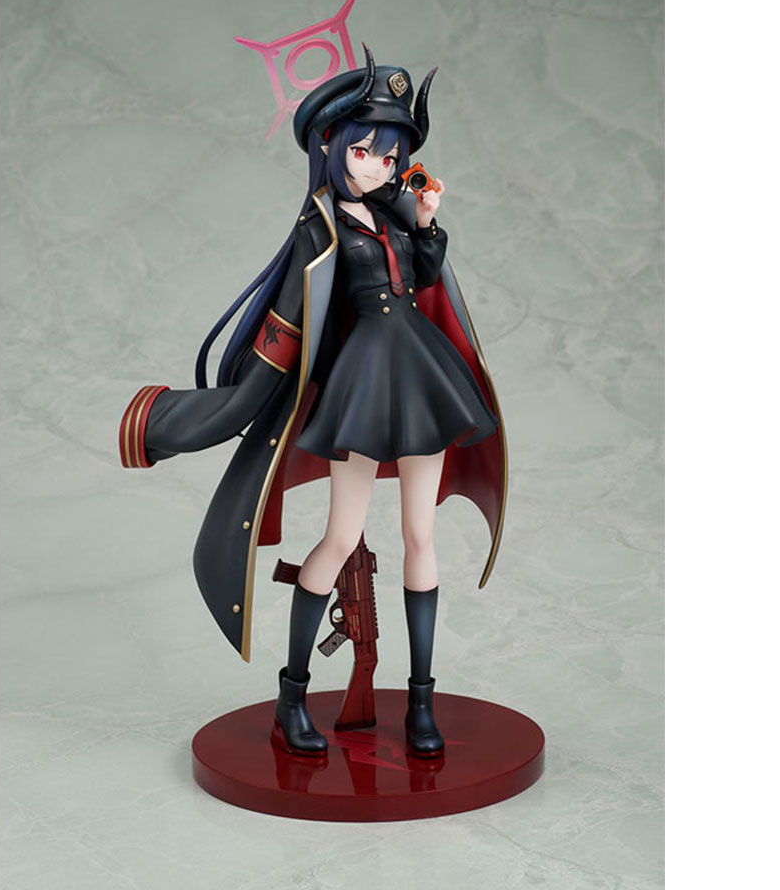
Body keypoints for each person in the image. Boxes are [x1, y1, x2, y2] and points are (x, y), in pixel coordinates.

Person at [119, 47, 507, 758]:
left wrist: (425, 219)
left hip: (423, 377)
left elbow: (425, 278)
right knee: (339, 538)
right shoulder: (318, 232)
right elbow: (293, 319)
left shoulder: (394, 214)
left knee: (421, 537)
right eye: (364, 151)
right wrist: (252, 397)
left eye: (389, 156)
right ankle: (292, 696)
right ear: (332, 148)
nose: (378, 166)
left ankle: (421, 702)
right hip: (363, 387)